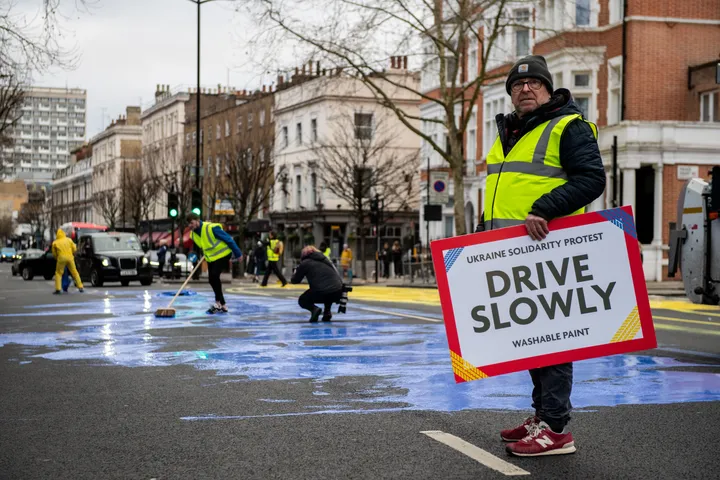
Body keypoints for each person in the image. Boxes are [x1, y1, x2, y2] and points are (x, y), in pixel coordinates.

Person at [476, 55, 605, 457]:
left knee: (554, 339)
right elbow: (499, 193)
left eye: (534, 83)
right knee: (530, 338)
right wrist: (482, 236)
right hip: (511, 253)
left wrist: (545, 208)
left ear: (549, 89)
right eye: (517, 85)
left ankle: (556, 429)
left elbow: (592, 179)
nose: (525, 89)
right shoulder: (508, 133)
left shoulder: (569, 126)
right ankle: (542, 416)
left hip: (551, 250)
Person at [186, 213, 243, 314]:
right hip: (211, 258)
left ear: (197, 220)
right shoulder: (193, 234)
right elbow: (199, 247)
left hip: (223, 254)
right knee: (211, 279)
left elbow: (228, 239)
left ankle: (220, 304)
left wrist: (238, 253)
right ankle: (221, 304)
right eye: (188, 224)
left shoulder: (210, 228)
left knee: (214, 275)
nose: (190, 225)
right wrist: (196, 257)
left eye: (191, 223)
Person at [291, 245, 344, 323]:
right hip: (338, 293)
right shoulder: (326, 260)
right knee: (328, 287)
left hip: (322, 293)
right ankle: (327, 312)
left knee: (302, 300)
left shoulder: (305, 263)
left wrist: (295, 273)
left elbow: (295, 281)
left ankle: (314, 309)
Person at [51, 229, 83, 294]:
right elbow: (74, 249)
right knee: (74, 272)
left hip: (61, 258)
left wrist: (57, 258)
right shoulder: (69, 240)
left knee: (58, 273)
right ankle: (80, 287)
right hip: (70, 258)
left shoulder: (55, 242)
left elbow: (54, 254)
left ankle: (58, 289)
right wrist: (72, 253)